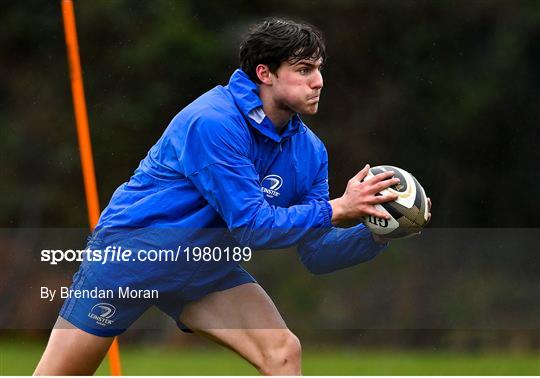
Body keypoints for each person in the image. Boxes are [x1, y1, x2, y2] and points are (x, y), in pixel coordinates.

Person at [34, 18, 430, 375]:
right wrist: (337, 208)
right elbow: (252, 227)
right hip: (134, 258)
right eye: (304, 70)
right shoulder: (213, 122)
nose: (318, 81)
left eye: (319, 70)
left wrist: (377, 232)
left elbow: (317, 253)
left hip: (203, 266)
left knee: (283, 351)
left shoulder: (309, 151)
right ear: (265, 73)